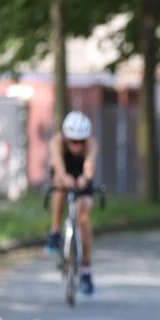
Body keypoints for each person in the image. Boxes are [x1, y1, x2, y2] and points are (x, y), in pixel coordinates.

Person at [45, 111, 98, 296]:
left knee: (83, 217)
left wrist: (85, 178)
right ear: (66, 138)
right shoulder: (56, 142)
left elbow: (90, 165)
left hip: (82, 177)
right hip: (64, 175)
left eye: (80, 141)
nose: (77, 146)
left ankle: (86, 270)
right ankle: (55, 231)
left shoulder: (91, 144)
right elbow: (58, 163)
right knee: (59, 189)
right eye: (73, 141)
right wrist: (64, 177)